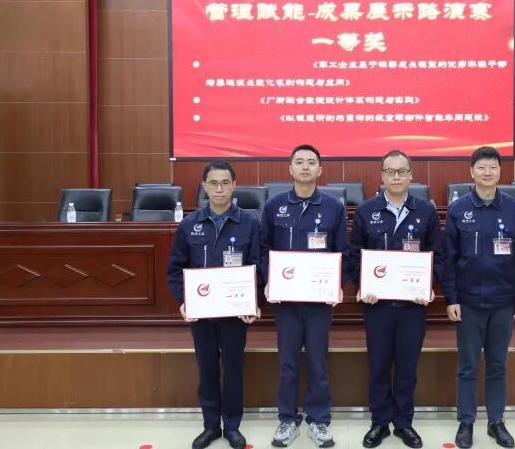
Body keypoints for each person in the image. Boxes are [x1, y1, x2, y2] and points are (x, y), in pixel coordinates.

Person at [348, 150, 445, 449]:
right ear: (382, 176)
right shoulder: (366, 211)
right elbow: (354, 255)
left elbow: (438, 255)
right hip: (377, 306)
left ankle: (403, 423)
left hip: (412, 307)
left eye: (402, 171)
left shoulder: (426, 211)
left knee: (406, 367)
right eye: (390, 171)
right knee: (378, 366)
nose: (396, 176)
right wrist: (363, 285)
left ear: (411, 175)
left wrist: (429, 285)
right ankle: (379, 422)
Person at [441, 146, 515, 449]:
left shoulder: (514, 210)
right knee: (467, 367)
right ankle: (466, 422)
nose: (487, 172)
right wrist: (451, 299)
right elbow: (447, 260)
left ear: (500, 171)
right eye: (481, 167)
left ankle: (496, 422)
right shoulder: (458, 210)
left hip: (503, 301)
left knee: (497, 366)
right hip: (468, 302)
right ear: (471, 172)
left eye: (493, 167)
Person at [168, 160, 262, 449]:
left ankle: (232, 426)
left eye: (225, 183)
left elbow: (258, 267)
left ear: (234, 186)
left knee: (233, 369)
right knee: (207, 369)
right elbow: (175, 270)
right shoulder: (189, 224)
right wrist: (184, 301)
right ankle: (211, 426)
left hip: (235, 314)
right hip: (202, 314)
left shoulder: (249, 223)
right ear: (204, 187)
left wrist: (253, 302)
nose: (219, 188)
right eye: (213, 183)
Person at [260, 144, 348, 448]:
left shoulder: (334, 207)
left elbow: (343, 252)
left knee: (317, 363)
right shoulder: (274, 206)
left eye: (311, 162)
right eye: (299, 162)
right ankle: (287, 419)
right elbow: (263, 249)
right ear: (290, 169)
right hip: (286, 303)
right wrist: (269, 281)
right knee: (288, 364)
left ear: (320, 170)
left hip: (318, 302)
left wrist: (338, 284)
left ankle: (319, 420)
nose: (305, 167)